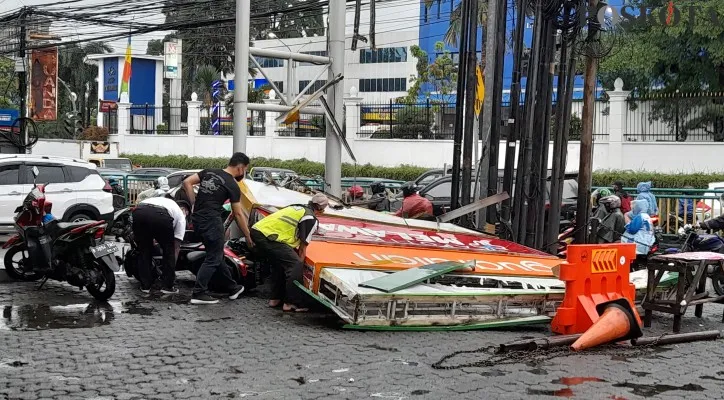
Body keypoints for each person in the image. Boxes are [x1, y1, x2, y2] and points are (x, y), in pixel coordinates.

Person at [183, 153, 253, 305]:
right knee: (213, 258)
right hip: (211, 221)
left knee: (216, 254)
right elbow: (238, 214)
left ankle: (232, 288)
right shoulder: (232, 184)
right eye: (245, 170)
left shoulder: (208, 171)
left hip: (198, 219)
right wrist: (247, 235)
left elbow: (187, 182)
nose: (244, 173)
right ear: (240, 168)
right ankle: (199, 292)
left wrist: (193, 204)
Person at [251, 193, 329, 312]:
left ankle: (275, 299)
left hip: (259, 232)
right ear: (320, 208)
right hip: (269, 237)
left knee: (280, 264)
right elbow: (303, 248)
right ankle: (291, 302)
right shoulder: (309, 218)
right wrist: (300, 266)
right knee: (294, 265)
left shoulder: (297, 208)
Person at [131, 196, 187, 294]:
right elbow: (176, 248)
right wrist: (171, 270)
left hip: (139, 211)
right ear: (185, 210)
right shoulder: (182, 217)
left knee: (144, 251)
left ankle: (145, 287)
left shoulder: (167, 202)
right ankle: (167, 287)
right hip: (160, 214)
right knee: (169, 250)